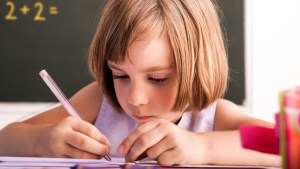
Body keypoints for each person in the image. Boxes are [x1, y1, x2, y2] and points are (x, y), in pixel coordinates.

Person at [0, 0, 280, 166]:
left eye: (157, 78)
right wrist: (40, 142)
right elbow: (4, 141)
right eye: (120, 75)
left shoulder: (213, 118)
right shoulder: (100, 101)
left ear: (196, 68)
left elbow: (290, 146)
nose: (135, 98)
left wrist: (203, 147)